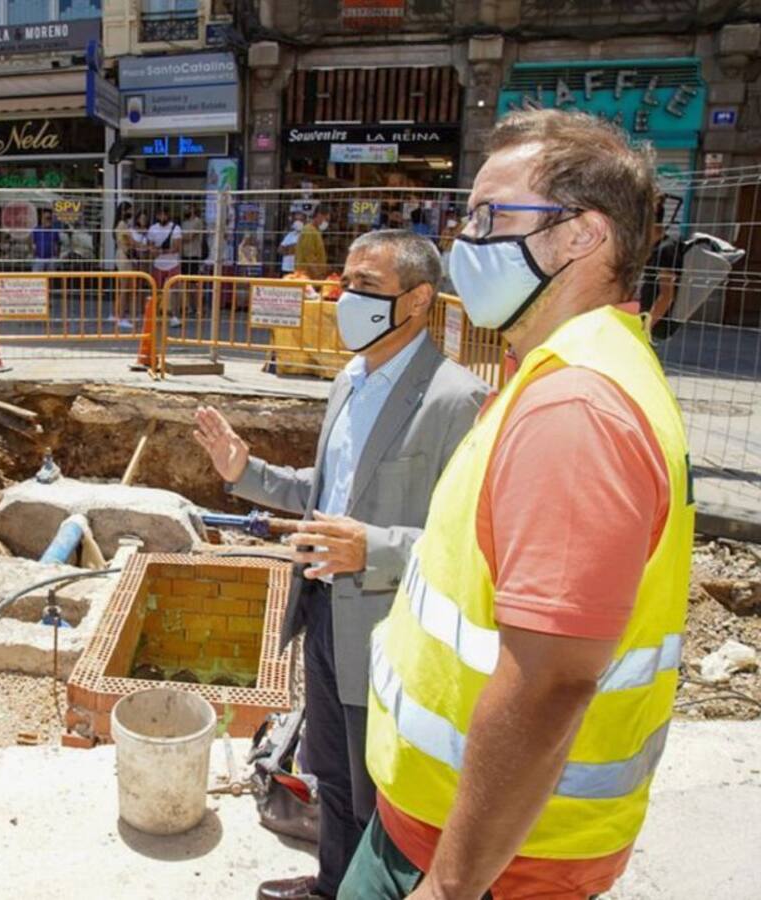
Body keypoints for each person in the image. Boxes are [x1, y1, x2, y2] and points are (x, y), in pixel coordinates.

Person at [340, 109, 695, 900]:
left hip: (490, 864)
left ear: (581, 237)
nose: (469, 241)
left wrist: (452, 884)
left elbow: (549, 681)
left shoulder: (576, 408)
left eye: (492, 218)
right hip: (450, 830)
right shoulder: (556, 371)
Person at [194, 230, 488, 900]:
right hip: (325, 609)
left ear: (416, 300)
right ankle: (333, 883)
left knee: (378, 786)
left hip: (389, 631)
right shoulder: (350, 380)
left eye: (365, 287)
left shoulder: (454, 400)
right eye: (344, 281)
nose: (344, 298)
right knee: (330, 768)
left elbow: (473, 542)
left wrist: (376, 548)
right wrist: (246, 471)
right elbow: (326, 495)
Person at [638, 198, 683, 338]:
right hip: (646, 320)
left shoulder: (666, 250)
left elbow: (666, 294)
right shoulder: (654, 248)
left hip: (655, 327)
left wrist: (646, 329)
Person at [147, 207, 183, 327]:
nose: (162, 217)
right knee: (156, 291)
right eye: (159, 215)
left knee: (175, 291)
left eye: (164, 215)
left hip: (173, 264)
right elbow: (150, 247)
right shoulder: (153, 229)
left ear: (168, 215)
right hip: (158, 264)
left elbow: (177, 247)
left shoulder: (176, 228)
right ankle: (155, 315)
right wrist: (155, 251)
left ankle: (175, 316)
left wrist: (161, 251)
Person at [112, 201, 136, 331]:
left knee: (124, 287)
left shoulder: (122, 224)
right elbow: (130, 242)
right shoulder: (122, 225)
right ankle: (121, 317)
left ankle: (120, 314)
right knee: (125, 288)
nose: (132, 213)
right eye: (130, 210)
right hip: (124, 257)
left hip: (123, 256)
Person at [295, 208, 330, 280]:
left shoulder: (315, 231)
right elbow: (309, 256)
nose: (326, 223)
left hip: (311, 276)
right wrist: (318, 274)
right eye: (326, 219)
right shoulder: (309, 231)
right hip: (307, 277)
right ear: (319, 216)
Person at [32, 207, 60, 273]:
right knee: (36, 278)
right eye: (46, 218)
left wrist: (56, 257)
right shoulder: (36, 230)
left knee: (51, 279)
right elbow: (32, 243)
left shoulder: (54, 230)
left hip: (51, 259)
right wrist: (34, 255)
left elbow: (57, 244)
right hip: (39, 258)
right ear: (42, 219)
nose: (48, 220)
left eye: (50, 218)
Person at [181, 203, 205, 276]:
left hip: (194, 253)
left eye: (189, 208)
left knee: (193, 277)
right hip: (184, 253)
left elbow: (190, 237)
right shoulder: (184, 222)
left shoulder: (197, 221)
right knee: (184, 276)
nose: (186, 210)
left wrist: (179, 238)